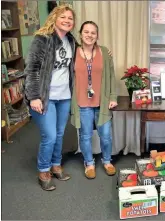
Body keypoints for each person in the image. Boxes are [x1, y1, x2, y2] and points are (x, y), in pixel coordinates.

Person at [24, 5, 77, 191]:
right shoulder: (42, 39)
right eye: (63, 17)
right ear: (54, 18)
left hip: (64, 96)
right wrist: (33, 97)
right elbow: (31, 69)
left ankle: (56, 165)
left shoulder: (71, 40)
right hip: (45, 97)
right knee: (50, 135)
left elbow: (82, 58)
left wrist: (104, 52)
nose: (67, 20)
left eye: (70, 18)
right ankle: (43, 170)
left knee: (60, 133)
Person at [70, 21, 118, 179]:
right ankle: (89, 163)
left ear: (97, 35)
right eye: (86, 32)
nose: (89, 35)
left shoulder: (104, 52)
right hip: (82, 102)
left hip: (102, 102)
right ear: (81, 33)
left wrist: (112, 97)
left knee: (105, 135)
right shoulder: (73, 52)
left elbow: (111, 76)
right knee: (85, 135)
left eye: (93, 32)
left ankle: (107, 161)